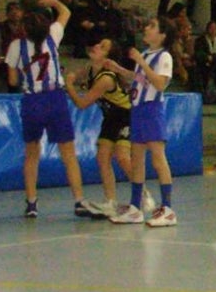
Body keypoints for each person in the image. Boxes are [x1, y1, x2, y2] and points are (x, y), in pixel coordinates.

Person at [5, 0, 103, 219]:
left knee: (32, 153)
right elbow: (66, 12)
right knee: (68, 152)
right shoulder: (52, 35)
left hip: (32, 100)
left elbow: (12, 80)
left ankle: (32, 202)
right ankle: (79, 199)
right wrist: (53, 1)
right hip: (55, 98)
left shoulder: (16, 46)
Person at [64, 36, 154, 216]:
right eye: (98, 43)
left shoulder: (106, 79)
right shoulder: (90, 68)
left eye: (103, 47)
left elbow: (82, 104)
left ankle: (144, 193)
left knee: (122, 156)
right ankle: (111, 201)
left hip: (126, 115)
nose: (96, 46)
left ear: (108, 57)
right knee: (102, 157)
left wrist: (69, 86)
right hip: (111, 117)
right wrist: (69, 76)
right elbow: (75, 75)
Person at [107, 16, 179, 226]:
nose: (147, 28)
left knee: (157, 157)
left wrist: (140, 62)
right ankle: (135, 208)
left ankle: (168, 209)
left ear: (162, 35)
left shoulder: (164, 57)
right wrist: (120, 70)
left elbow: (159, 84)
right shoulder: (146, 54)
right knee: (136, 159)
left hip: (152, 109)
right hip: (137, 109)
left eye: (152, 26)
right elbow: (141, 80)